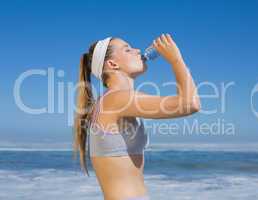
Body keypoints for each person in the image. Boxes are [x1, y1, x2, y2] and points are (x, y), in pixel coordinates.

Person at [73, 33, 200, 200]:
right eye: (127, 49)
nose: (138, 50)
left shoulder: (112, 100)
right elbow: (190, 104)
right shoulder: (116, 99)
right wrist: (176, 59)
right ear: (112, 63)